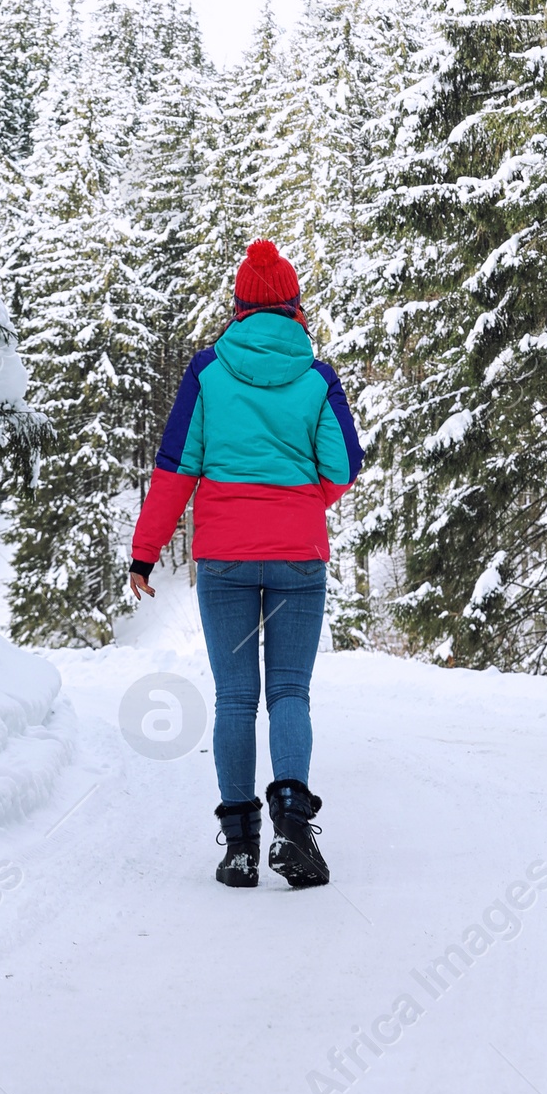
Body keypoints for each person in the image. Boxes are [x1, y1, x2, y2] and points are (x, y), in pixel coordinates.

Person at [128, 239, 363, 889]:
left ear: (238, 307)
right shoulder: (318, 378)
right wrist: (302, 501)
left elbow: (176, 469)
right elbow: (341, 466)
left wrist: (145, 551)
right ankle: (294, 825)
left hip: (226, 557)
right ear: (295, 308)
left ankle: (239, 851)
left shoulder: (208, 372)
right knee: (289, 692)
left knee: (236, 697)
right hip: (298, 557)